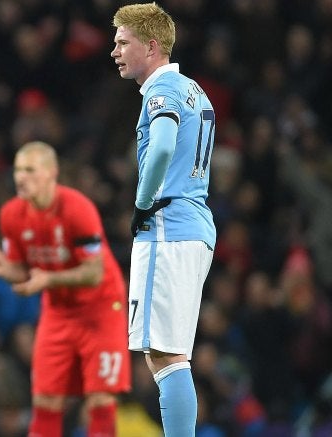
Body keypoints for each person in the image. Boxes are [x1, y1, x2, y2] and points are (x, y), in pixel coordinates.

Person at [111, 3, 217, 436]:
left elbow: (161, 147)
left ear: (151, 46)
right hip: (195, 226)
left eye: (123, 42)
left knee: (164, 356)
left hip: (169, 227)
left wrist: (141, 203)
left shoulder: (163, 90)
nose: (114, 51)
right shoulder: (196, 90)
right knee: (171, 355)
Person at [0, 141, 130, 437]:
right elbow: (25, 271)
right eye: (18, 170)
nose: (20, 177)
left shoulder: (78, 209)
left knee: (100, 396)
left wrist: (48, 280)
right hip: (58, 310)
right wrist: (8, 272)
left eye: (30, 170)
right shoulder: (10, 215)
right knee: (46, 397)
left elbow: (94, 272)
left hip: (100, 308)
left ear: (51, 173)